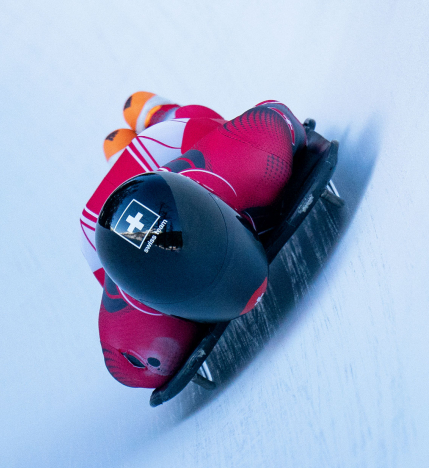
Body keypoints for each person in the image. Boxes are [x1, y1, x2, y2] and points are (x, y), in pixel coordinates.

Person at [80, 92, 307, 388]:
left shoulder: (259, 151)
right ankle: (123, 158)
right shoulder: (137, 346)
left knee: (199, 120)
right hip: (99, 229)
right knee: (105, 229)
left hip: (175, 144)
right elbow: (127, 365)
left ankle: (160, 115)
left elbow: (278, 119)